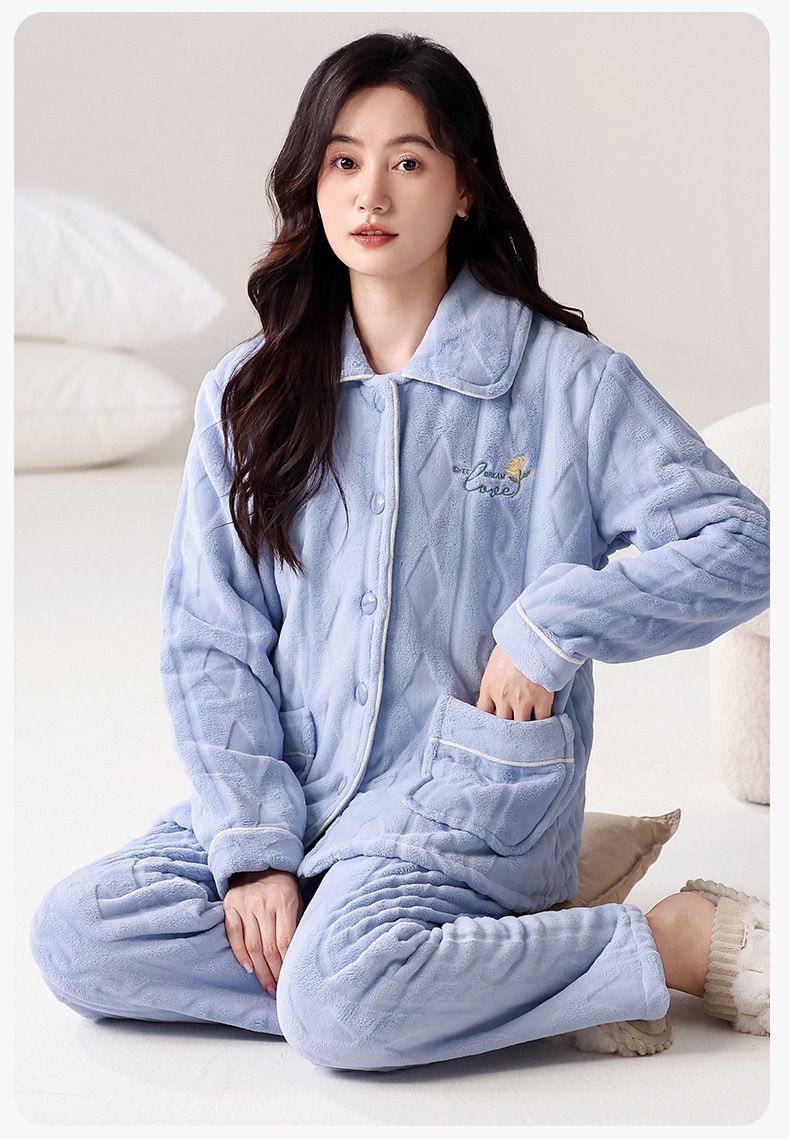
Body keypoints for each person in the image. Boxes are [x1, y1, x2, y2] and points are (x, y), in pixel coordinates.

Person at [31, 32, 770, 1070]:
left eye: (408, 161)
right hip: (300, 790)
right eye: (344, 160)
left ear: (465, 187)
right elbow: (212, 639)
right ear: (313, 180)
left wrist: (555, 623)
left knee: (339, 1004)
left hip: (468, 799)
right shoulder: (246, 393)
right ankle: (496, 976)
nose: (369, 193)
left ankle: (670, 940)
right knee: (78, 937)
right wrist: (254, 852)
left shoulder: (566, 380)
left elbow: (744, 543)